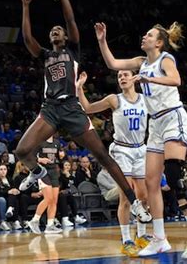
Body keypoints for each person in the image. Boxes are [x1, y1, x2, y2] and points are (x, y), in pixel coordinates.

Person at [14, 0, 150, 223]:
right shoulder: (45, 55)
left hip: (73, 109)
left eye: (59, 30)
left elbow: (70, 20)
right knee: (22, 151)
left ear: (65, 37)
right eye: (52, 30)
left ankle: (135, 205)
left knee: (102, 156)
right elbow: (27, 37)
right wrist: (25, 5)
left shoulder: (73, 50)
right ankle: (36, 171)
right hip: (51, 109)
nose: (55, 30)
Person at [94, 21, 187, 258]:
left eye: (149, 35)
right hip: (155, 124)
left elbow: (176, 80)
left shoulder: (165, 59)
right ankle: (159, 238)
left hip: (172, 117)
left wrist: (147, 80)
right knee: (152, 183)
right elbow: (112, 63)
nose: (144, 36)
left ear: (159, 42)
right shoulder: (140, 62)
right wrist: (102, 40)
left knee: (174, 176)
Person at [77, 70, 150, 256]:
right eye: (119, 76)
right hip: (122, 150)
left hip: (141, 149)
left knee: (144, 196)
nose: (122, 78)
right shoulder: (114, 99)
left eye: (126, 74)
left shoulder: (146, 98)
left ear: (134, 78)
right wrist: (79, 88)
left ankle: (141, 235)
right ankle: (126, 239)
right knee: (126, 196)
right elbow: (87, 108)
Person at [28, 136, 63, 234]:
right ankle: (34, 220)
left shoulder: (57, 142)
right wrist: (39, 159)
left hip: (54, 172)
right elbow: (30, 156)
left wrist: (61, 155)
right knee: (48, 199)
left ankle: (50, 225)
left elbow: (60, 156)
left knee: (54, 200)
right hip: (43, 172)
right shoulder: (39, 141)